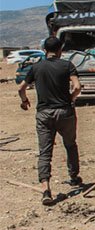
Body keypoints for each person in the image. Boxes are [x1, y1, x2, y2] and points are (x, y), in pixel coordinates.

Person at [18, 36, 83, 205]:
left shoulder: (36, 67)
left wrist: (24, 101)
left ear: (44, 50)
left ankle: (46, 189)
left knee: (45, 152)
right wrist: (70, 98)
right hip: (65, 112)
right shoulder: (67, 65)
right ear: (60, 49)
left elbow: (21, 87)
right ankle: (74, 176)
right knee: (70, 144)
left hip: (44, 114)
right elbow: (77, 86)